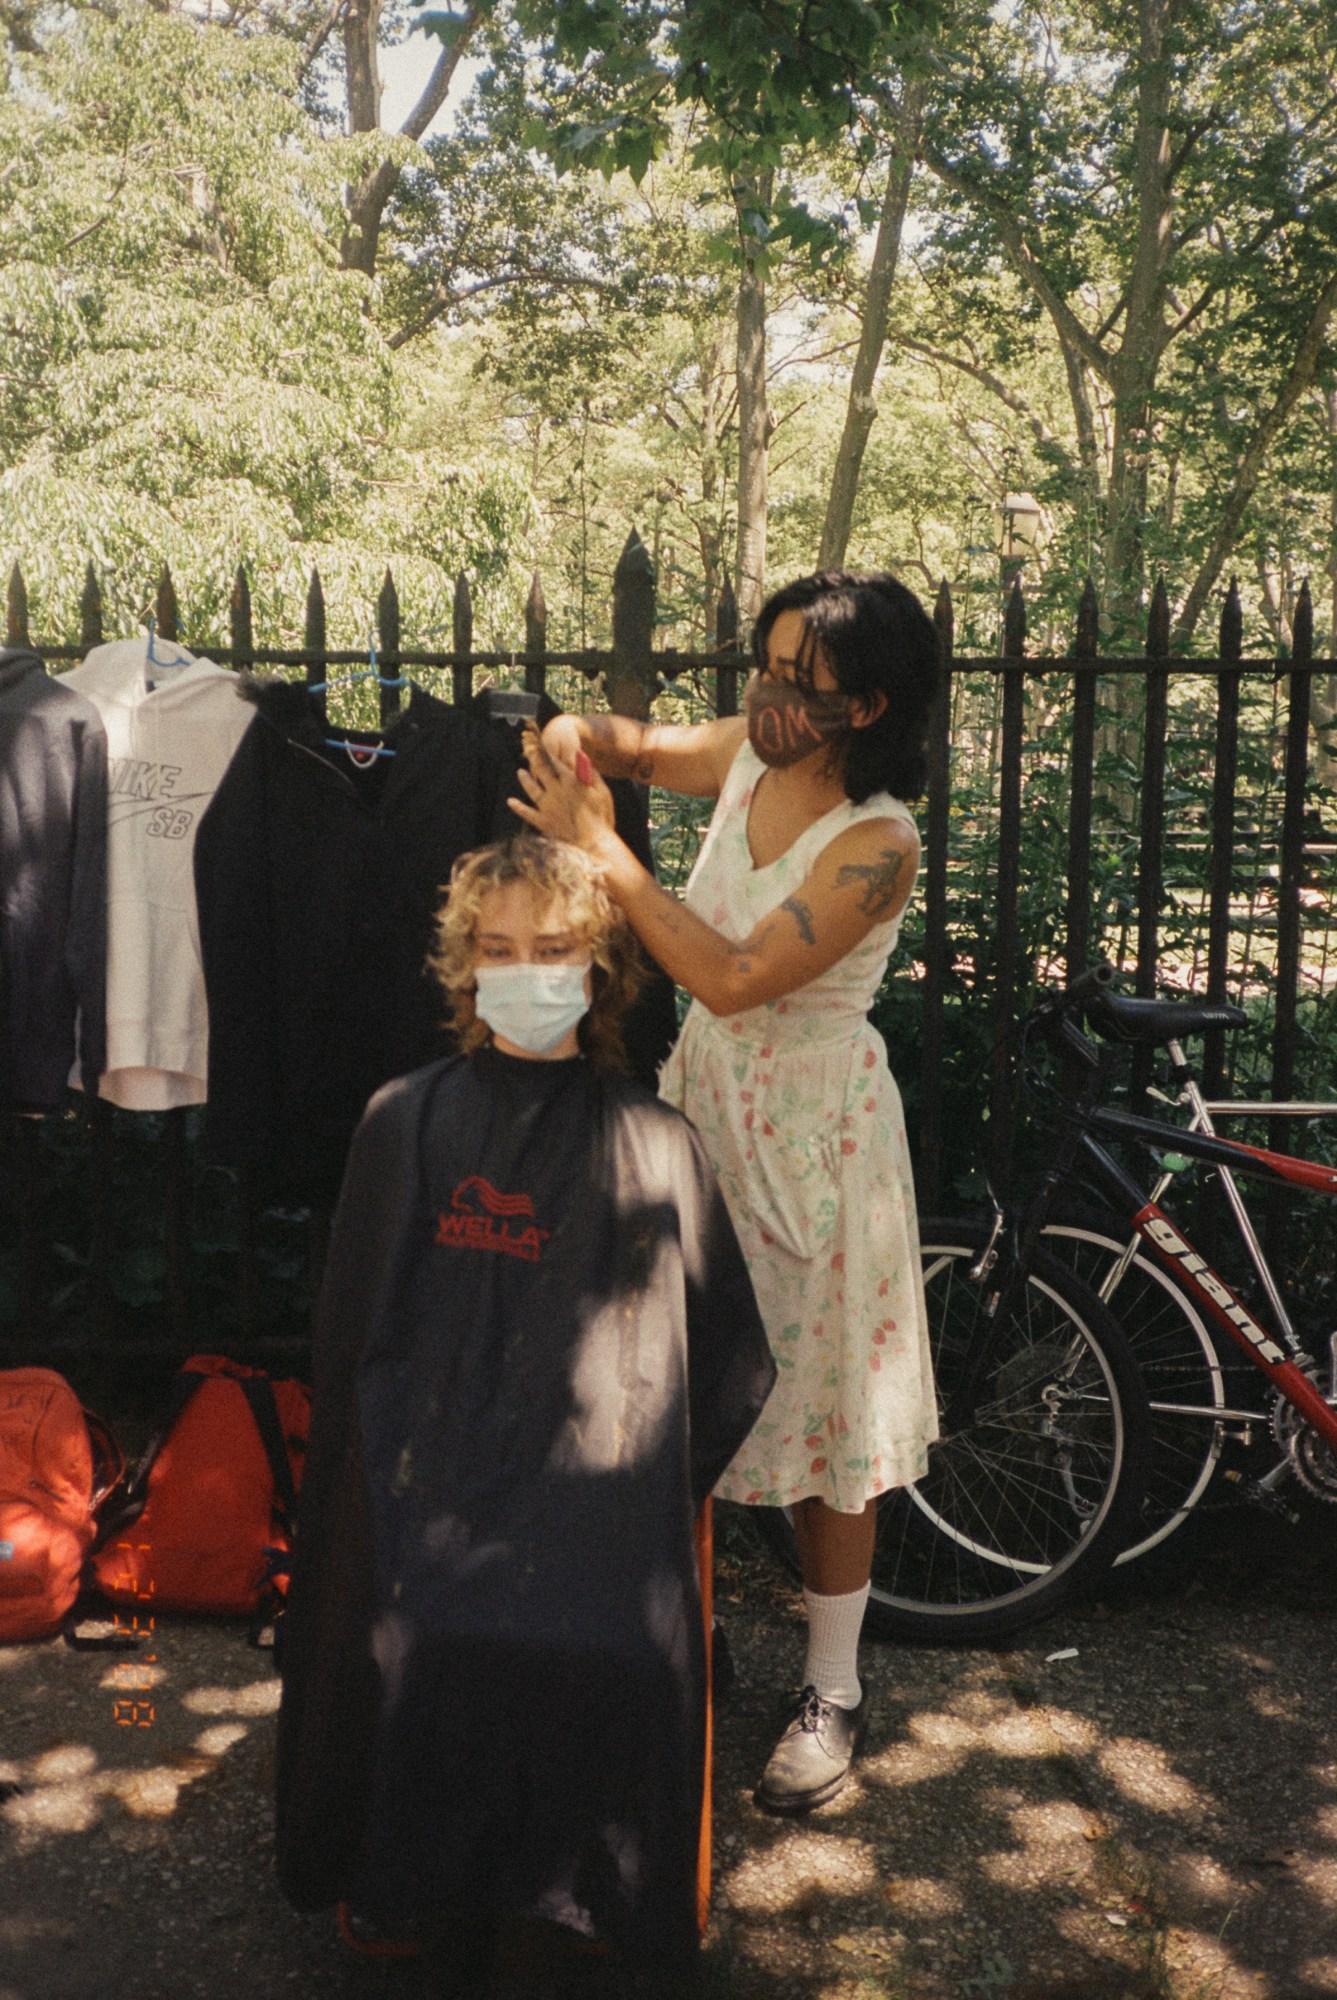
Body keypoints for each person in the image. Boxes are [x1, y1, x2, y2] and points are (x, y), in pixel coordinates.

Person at [274, 833, 775, 1985]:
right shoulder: (401, 1123)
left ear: (598, 968)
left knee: (603, 1639)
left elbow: (722, 1373)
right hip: (428, 1508)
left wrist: (624, 1512)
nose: (526, 970)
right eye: (497, 949)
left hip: (592, 1523)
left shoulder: (659, 1145)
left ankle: (582, 1892)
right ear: (463, 970)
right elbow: (353, 1356)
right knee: (410, 1634)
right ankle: (404, 1874)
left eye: (552, 948)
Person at [511, 569, 940, 1816]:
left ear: (861, 706)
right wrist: (567, 743)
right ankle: (673, 1637)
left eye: (797, 681)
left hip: (818, 1142)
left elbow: (740, 972)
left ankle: (833, 1687)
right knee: (666, 1394)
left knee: (825, 1431)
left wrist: (601, 850)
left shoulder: (877, 842)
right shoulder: (748, 754)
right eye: (762, 662)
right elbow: (622, 742)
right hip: (703, 1120)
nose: (763, 695)